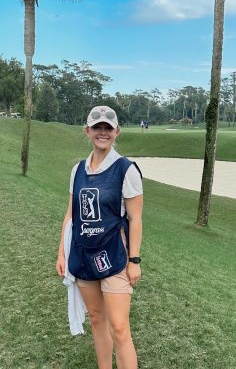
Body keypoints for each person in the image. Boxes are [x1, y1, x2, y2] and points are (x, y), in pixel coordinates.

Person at [56, 105, 143, 369]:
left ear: (117, 132)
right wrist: (62, 252)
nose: (102, 132)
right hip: (83, 255)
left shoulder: (126, 169)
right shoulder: (77, 171)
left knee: (119, 328)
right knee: (96, 319)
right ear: (87, 131)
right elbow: (71, 216)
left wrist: (135, 260)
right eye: (97, 127)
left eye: (108, 127)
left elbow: (135, 218)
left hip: (115, 257)